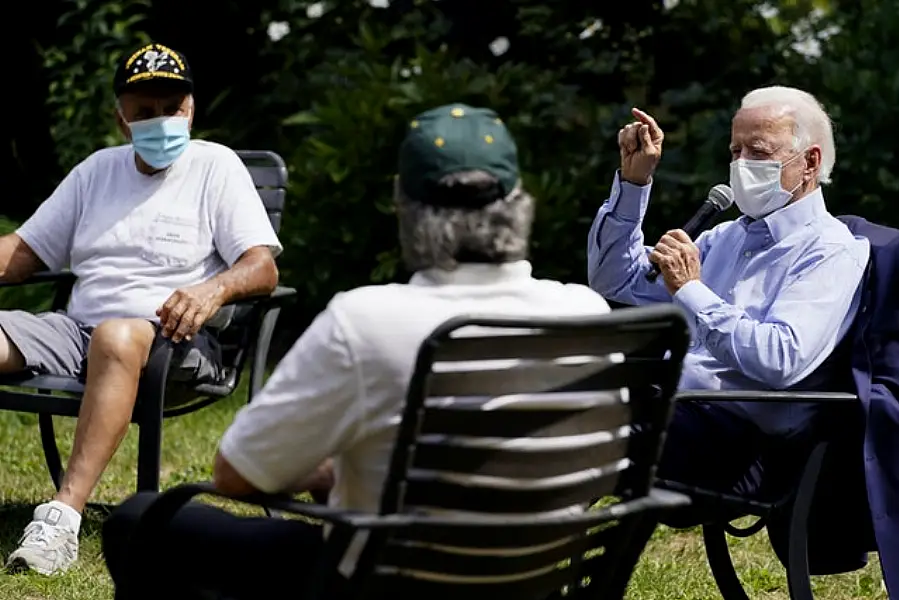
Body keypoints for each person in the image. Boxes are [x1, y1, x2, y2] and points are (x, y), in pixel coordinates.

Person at [101, 103, 612, 599]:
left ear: (404, 208)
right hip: (536, 579)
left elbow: (236, 474)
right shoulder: (587, 315)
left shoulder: (365, 321)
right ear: (519, 203)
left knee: (137, 520)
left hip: (385, 582)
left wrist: (335, 470)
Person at [3, 42, 282, 575]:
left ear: (191, 109)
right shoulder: (95, 172)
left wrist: (213, 290)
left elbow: (261, 267)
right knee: (100, 332)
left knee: (119, 334)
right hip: (74, 331)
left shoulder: (215, 167)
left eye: (171, 108)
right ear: (121, 118)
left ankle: (61, 520)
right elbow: (22, 253)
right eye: (144, 111)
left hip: (170, 342)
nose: (159, 121)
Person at [586, 86, 871, 539]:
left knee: (576, 432)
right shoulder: (725, 237)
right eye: (735, 150)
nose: (740, 165)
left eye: (757, 151)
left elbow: (781, 360)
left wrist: (693, 291)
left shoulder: (831, 250)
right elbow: (614, 281)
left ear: (811, 162)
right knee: (556, 409)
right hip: (676, 414)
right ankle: (497, 556)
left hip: (743, 445)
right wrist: (634, 182)